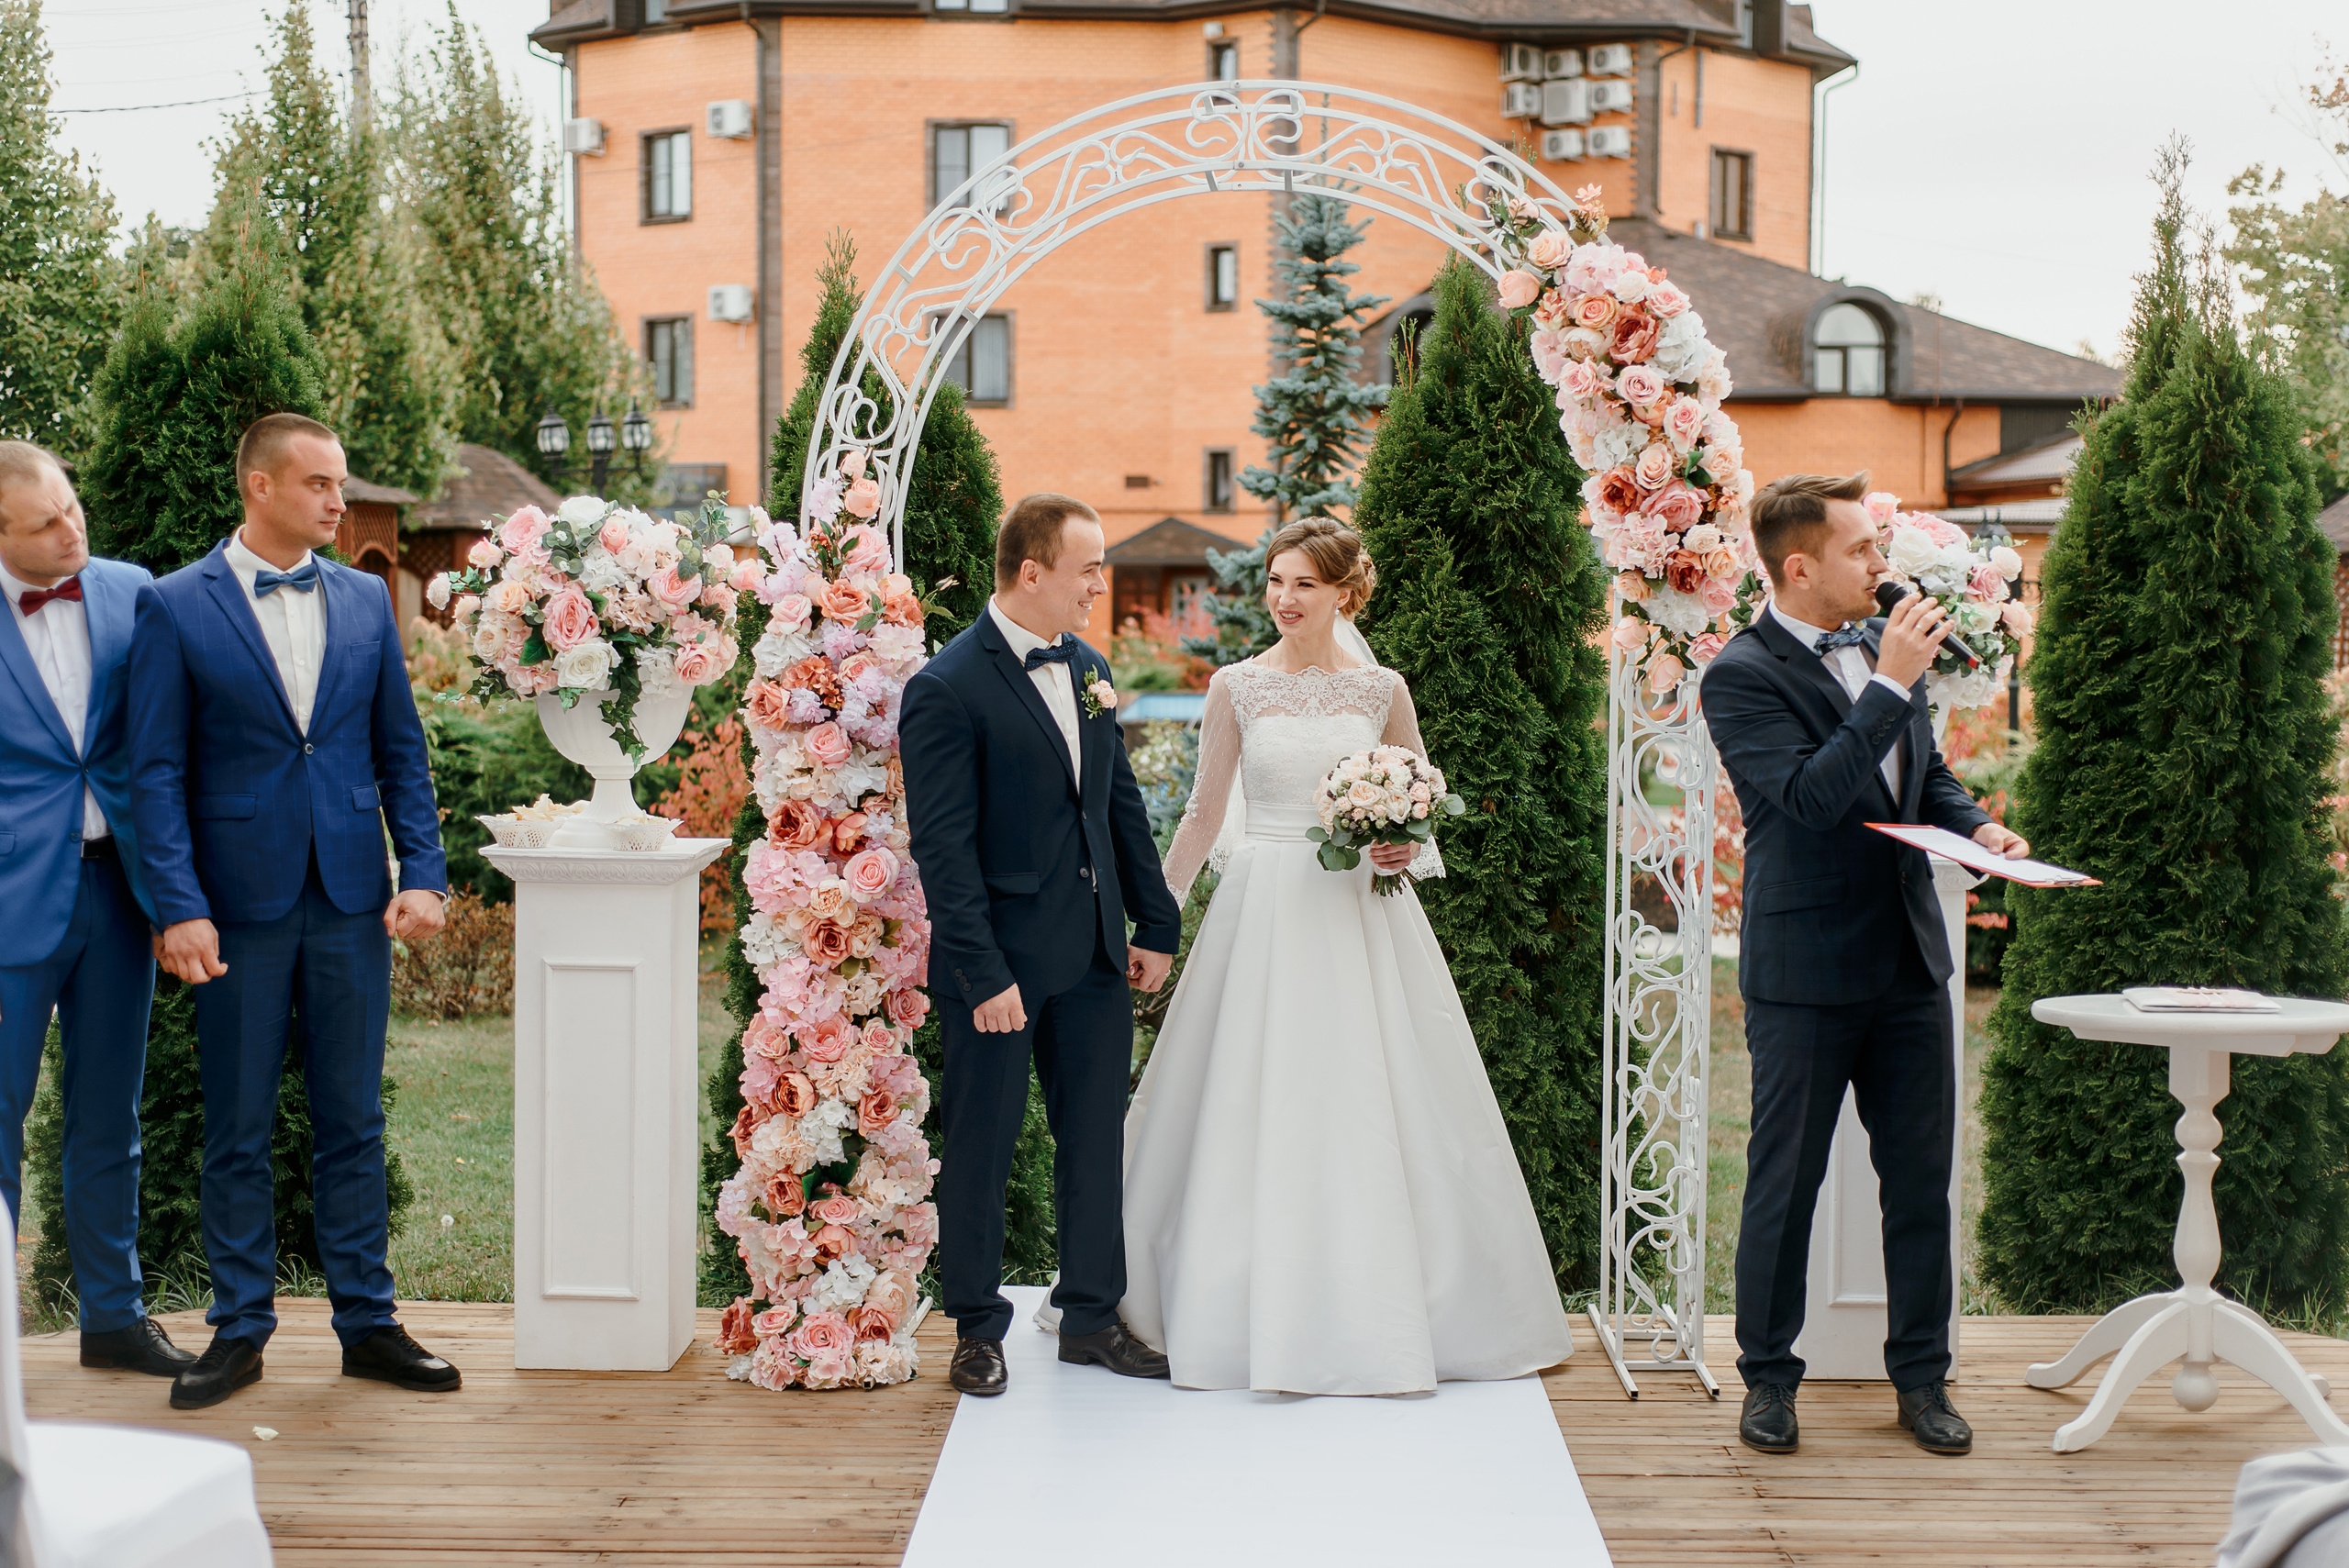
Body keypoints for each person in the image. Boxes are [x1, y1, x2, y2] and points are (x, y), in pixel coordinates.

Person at [1125, 517, 1575, 1395]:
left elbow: (1419, 799)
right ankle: (1231, 1297)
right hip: (1263, 909)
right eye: (1275, 581)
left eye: (1304, 583)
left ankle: (1390, 1301)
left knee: (1370, 1089)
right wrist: (1160, 918)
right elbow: (1203, 813)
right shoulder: (1236, 686)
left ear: (1344, 592)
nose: (1284, 598)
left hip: (1360, 912)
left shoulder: (1381, 689)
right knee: (1250, 1087)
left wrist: (1400, 843)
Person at [128, 412, 457, 1411]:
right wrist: (179, 905)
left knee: (353, 1118)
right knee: (237, 1123)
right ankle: (239, 1329)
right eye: (319, 483)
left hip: (353, 896)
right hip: (236, 906)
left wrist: (425, 872)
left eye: (341, 483)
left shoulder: (362, 597)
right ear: (259, 486)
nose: (338, 502)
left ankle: (369, 1323)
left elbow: (400, 747)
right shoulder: (173, 604)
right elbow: (154, 772)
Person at [1698, 471, 2030, 1457]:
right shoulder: (1740, 674)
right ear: (1800, 567)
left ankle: (1922, 1380)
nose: (1882, 565)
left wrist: (1978, 826)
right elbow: (1811, 798)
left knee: (1920, 1184)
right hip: (1804, 969)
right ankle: (1768, 1377)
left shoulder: (1891, 652)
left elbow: (1920, 776)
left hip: (1908, 965)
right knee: (1784, 1182)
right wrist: (1885, 684)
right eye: (1862, 550)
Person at [899, 491, 1183, 1397]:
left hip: (1094, 956)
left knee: (1094, 1142)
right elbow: (943, 850)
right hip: (999, 968)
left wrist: (1156, 922)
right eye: (1088, 570)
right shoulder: (945, 686)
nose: (1099, 585)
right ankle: (976, 1330)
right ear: (1033, 572)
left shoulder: (1088, 666)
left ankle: (1091, 1317)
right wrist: (982, 972)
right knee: (981, 1150)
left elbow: (1119, 804)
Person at [0, 443, 193, 1379]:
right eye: (45, 523)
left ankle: (113, 1318)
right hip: (9, 900)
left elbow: (160, 746)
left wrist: (173, 890)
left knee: (109, 1115)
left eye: (71, 507)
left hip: (118, 893)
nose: (72, 529)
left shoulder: (131, 590)